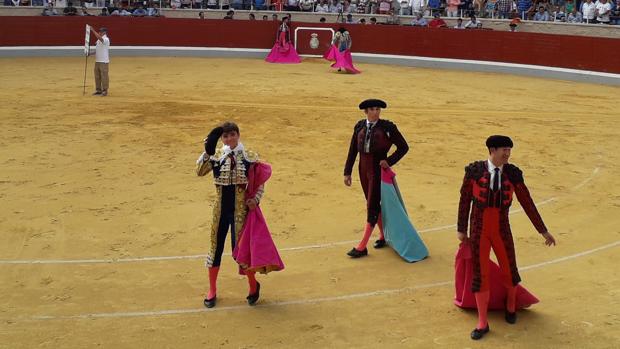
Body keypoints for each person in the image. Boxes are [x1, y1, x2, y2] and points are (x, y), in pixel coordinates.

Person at [457, 135, 556, 340]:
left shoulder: (513, 174)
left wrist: (542, 230)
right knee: (480, 274)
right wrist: (461, 229)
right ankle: (482, 321)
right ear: (492, 150)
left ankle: (510, 306)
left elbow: (527, 202)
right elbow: (465, 200)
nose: (508, 154)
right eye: (504, 150)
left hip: (502, 229)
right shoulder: (474, 172)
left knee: (510, 270)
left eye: (509, 150)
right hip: (478, 230)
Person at [196, 122, 284, 308]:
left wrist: (256, 199)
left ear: (238, 135)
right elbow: (200, 172)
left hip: (240, 211)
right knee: (215, 249)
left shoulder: (249, 157)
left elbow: (260, 182)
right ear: (222, 139)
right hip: (220, 209)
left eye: (232, 135)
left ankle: (253, 285)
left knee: (241, 251)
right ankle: (212, 290)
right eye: (226, 136)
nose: (229, 139)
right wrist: (207, 152)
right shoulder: (216, 156)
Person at [344, 99, 409, 258]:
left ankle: (362, 246)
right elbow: (353, 150)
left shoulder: (387, 127)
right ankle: (382, 236)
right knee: (371, 201)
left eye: (378, 109)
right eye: (372, 109)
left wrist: (389, 161)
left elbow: (403, 147)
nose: (376, 112)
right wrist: (347, 171)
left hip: (377, 170)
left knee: (372, 204)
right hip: (363, 169)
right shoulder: (359, 126)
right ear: (365, 111)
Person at [90, 27, 110, 96]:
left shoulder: (106, 39)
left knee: (104, 76)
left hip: (104, 61)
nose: (99, 33)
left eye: (101, 32)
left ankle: (105, 90)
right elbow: (97, 51)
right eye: (99, 32)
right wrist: (90, 53)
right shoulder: (98, 40)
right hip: (97, 61)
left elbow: (101, 39)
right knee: (97, 76)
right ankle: (98, 90)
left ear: (104, 32)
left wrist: (93, 30)